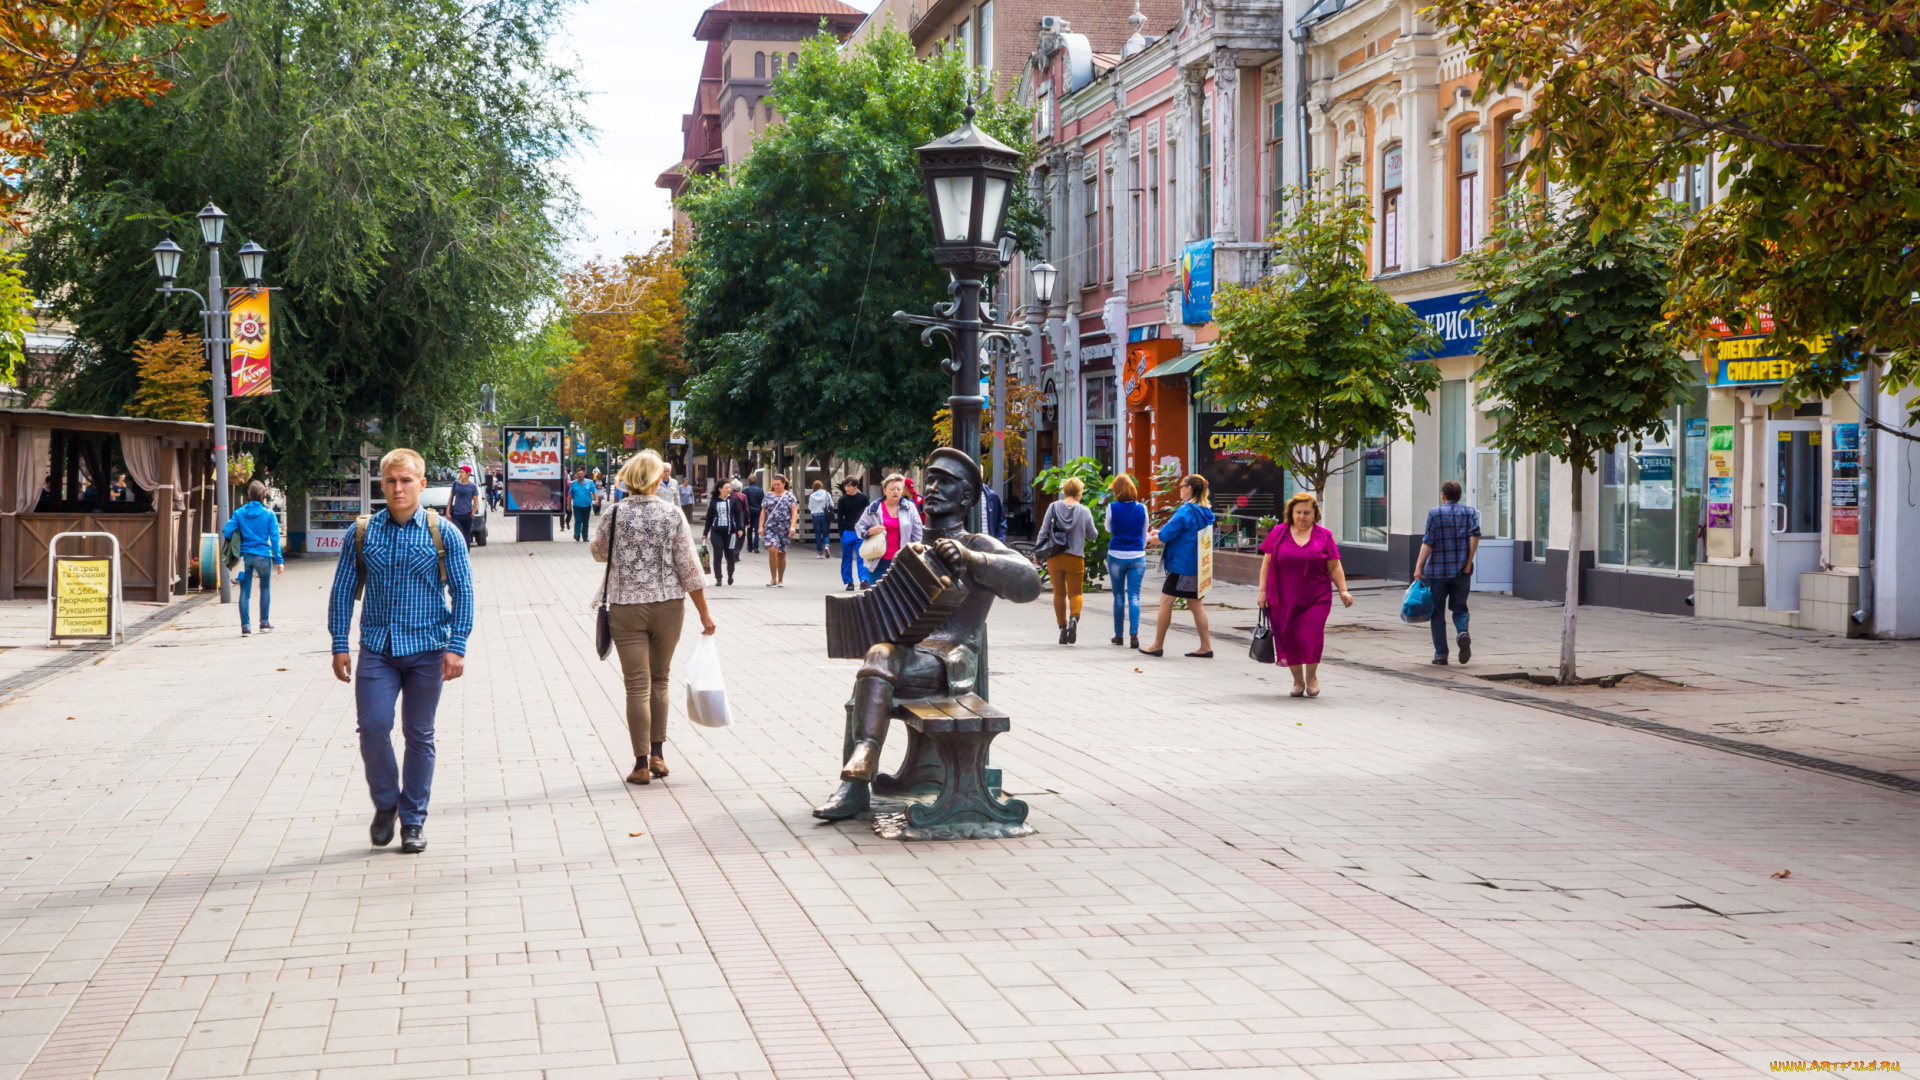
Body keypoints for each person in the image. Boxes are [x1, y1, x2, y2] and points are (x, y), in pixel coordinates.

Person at [813, 449, 1041, 821]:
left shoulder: (977, 544)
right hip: (914, 656)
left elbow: (1029, 583)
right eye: (929, 479)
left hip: (953, 661)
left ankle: (857, 778)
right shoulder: (913, 549)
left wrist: (972, 560)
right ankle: (856, 780)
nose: (932, 487)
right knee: (875, 665)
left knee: (878, 664)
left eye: (945, 482)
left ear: (966, 497)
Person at [328, 448, 474, 855]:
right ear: (381, 484)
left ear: (421, 485)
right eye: (391, 481)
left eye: (406, 481)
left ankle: (412, 821)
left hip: (428, 649)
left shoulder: (444, 533)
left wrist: (456, 646)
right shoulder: (362, 533)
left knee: (418, 734)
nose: (398, 488)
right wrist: (340, 642)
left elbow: (463, 592)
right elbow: (342, 591)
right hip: (378, 648)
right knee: (373, 727)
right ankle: (386, 801)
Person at [592, 449, 717, 786]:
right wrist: (705, 614)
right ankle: (660, 755)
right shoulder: (673, 514)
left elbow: (598, 553)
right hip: (668, 606)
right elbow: (689, 568)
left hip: (625, 606)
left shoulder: (614, 513)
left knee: (637, 686)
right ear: (655, 479)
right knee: (660, 679)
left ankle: (641, 764)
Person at [1258, 492, 1355, 697]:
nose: (1302, 516)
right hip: (1282, 598)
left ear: (1314, 514)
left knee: (1311, 636)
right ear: (1291, 514)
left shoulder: (1324, 535)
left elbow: (1334, 566)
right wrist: (1262, 591)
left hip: (1316, 597)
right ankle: (1297, 681)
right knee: (1288, 637)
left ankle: (1311, 677)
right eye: (1298, 512)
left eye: (1307, 513)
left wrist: (1343, 590)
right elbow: (1266, 564)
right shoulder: (1278, 533)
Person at [1141, 474, 1217, 658]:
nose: (1180, 489)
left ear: (1189, 488)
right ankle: (1206, 646)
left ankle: (1157, 645)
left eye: (1182, 486)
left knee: (1166, 601)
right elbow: (1182, 532)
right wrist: (1160, 533)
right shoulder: (1204, 510)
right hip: (1198, 564)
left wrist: (1151, 537)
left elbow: (1164, 537)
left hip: (1181, 566)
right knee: (1195, 603)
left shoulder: (1185, 511)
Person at [1413, 479, 1482, 665]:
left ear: (1443, 495)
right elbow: (1475, 535)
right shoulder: (1470, 512)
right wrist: (1469, 562)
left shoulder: (1434, 513)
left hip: (1438, 572)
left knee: (1437, 612)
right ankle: (1462, 632)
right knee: (1460, 608)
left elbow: (1428, 541)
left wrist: (1419, 567)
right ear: (1460, 496)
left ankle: (1441, 654)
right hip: (1462, 570)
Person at [1037, 477, 1097, 644]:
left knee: (1059, 593)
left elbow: (1043, 531)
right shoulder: (1084, 511)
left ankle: (1063, 629)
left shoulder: (1053, 507)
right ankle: (1073, 620)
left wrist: (1038, 553)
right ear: (1079, 493)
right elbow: (1093, 536)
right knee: (1075, 593)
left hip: (1055, 556)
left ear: (1064, 491)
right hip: (1076, 558)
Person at [222, 479, 284, 635]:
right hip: (263, 555)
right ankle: (264, 623)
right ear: (263, 496)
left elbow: (227, 531)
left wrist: (239, 536)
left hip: (244, 557)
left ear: (249, 495)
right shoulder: (269, 514)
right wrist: (279, 560)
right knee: (265, 588)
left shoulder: (239, 513)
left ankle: (246, 627)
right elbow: (275, 538)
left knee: (244, 592)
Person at [1104, 473, 1147, 649]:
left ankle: (1119, 635)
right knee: (1134, 595)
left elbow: (1108, 528)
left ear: (1117, 491)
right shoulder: (1141, 508)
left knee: (1118, 596)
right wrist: (1140, 546)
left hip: (1116, 555)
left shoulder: (1112, 507)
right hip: (1137, 555)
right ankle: (1134, 634)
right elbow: (1144, 533)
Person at [853, 474, 922, 583]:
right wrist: (869, 531)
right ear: (885, 490)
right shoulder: (874, 508)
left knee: (900, 597)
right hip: (878, 561)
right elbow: (859, 527)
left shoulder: (910, 508)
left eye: (899, 489)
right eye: (892, 489)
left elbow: (917, 534)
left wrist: (915, 555)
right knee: (877, 597)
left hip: (902, 562)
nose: (896, 492)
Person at [703, 479, 747, 585]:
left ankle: (730, 574)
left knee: (730, 554)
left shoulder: (733, 500)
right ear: (720, 489)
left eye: (729, 487)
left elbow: (739, 514)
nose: (728, 490)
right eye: (726, 488)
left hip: (730, 532)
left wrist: (740, 528)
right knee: (718, 553)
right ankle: (718, 577)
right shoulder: (714, 501)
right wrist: (705, 532)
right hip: (716, 531)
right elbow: (709, 517)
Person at [759, 474, 797, 586]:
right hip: (770, 527)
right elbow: (763, 512)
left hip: (784, 527)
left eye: (778, 484)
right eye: (774, 484)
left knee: (781, 553)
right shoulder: (768, 496)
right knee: (772, 549)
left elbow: (794, 512)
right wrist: (760, 527)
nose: (776, 486)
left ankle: (780, 579)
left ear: (784, 484)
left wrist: (792, 526)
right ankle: (773, 578)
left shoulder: (790, 496)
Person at [835, 477, 869, 592]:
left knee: (862, 557)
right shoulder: (842, 500)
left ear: (855, 486)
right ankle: (849, 581)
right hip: (847, 531)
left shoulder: (863, 498)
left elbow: (868, 515)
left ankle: (863, 580)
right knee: (846, 558)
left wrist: (867, 530)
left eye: (849, 486)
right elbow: (840, 518)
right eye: (845, 486)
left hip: (860, 532)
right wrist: (841, 534)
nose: (847, 488)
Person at [448, 466, 480, 545]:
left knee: (467, 536)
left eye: (462, 472)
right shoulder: (455, 484)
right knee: (456, 534)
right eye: (460, 472)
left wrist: (473, 512)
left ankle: (466, 553)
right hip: (456, 515)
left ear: (468, 474)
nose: (460, 474)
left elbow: (476, 500)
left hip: (467, 515)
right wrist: (447, 512)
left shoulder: (472, 486)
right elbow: (451, 498)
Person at [568, 469, 597, 542]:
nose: (580, 475)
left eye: (581, 474)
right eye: (578, 474)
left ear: (584, 474)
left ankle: (585, 537)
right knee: (578, 520)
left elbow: (595, 492)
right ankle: (577, 534)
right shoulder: (573, 484)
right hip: (577, 505)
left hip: (587, 505)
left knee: (585, 521)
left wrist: (596, 500)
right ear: (577, 475)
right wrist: (568, 504)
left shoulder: (590, 483)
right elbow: (570, 494)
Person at [807, 480, 833, 558]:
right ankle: (827, 546)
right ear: (821, 486)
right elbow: (831, 504)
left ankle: (819, 553)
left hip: (815, 516)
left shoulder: (812, 495)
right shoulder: (826, 494)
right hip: (825, 515)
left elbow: (810, 507)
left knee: (817, 534)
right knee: (826, 533)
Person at [742, 475, 765, 553]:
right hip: (758, 512)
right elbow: (763, 502)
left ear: (748, 481)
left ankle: (749, 546)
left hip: (748, 512)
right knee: (757, 530)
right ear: (756, 481)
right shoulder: (760, 490)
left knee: (749, 529)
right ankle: (756, 547)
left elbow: (743, 502)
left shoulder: (745, 490)